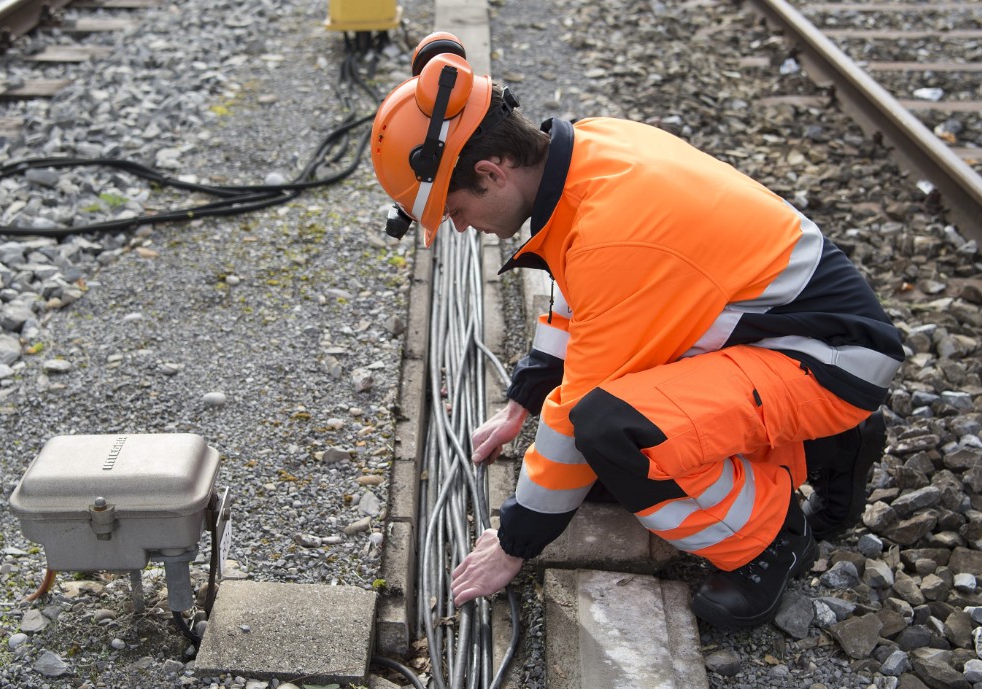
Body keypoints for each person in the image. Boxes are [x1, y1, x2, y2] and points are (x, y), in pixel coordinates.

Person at [369, 32, 903, 629]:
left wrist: (514, 542)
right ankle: (822, 445)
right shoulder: (588, 153)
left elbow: (576, 415)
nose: (463, 228)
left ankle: (770, 539)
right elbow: (586, 304)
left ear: (491, 173)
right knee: (601, 459)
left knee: (613, 431)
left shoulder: (614, 236)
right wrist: (524, 399)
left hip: (826, 362)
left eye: (456, 212)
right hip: (784, 337)